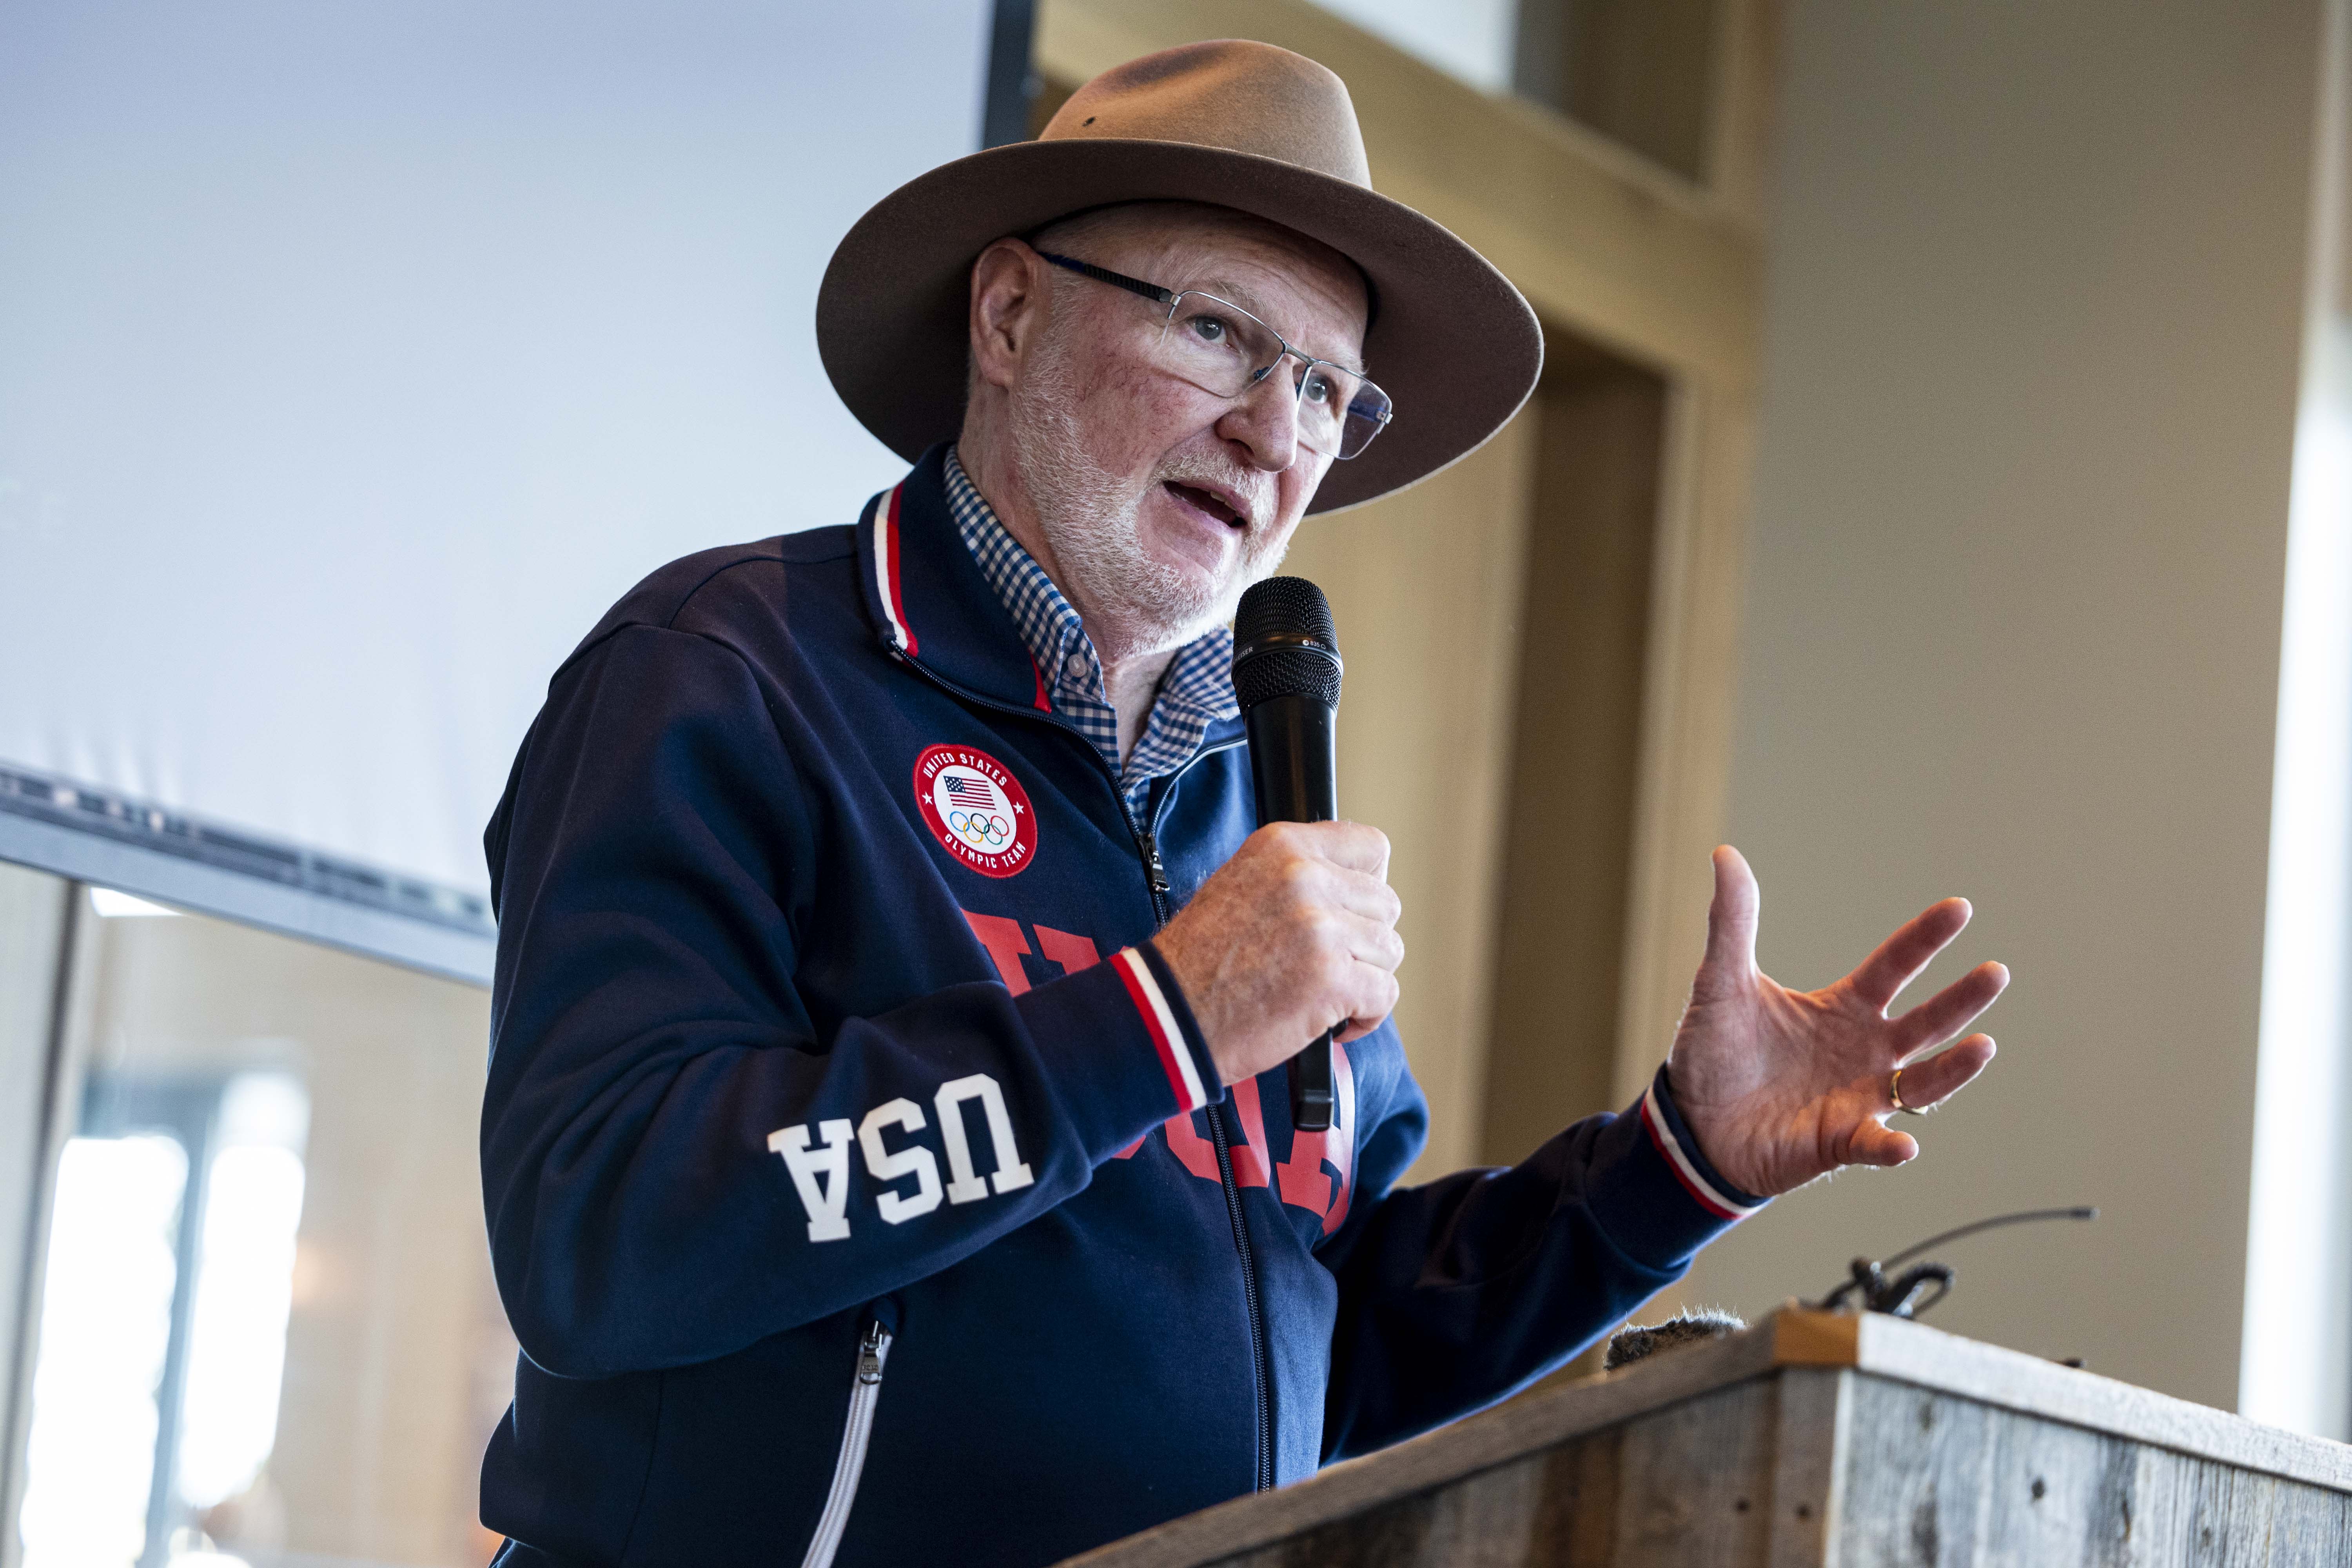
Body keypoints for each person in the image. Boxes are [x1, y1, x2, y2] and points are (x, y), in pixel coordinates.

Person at [476, 40, 2006, 1568]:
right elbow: (602, 1233)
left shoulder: (1253, 809)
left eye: (1326, 388)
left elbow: (1335, 1347)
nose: (1275, 434)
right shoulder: (731, 673)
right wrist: (1165, 1019)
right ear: (1008, 314)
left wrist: (1679, 1165)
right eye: (1218, 331)